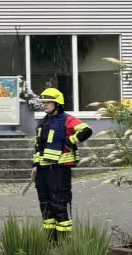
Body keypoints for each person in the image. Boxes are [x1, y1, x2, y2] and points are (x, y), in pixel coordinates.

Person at [32, 87, 93, 241]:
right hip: (43, 169)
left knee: (59, 204)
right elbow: (38, 145)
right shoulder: (43, 122)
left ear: (57, 103)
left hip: (60, 169)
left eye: (47, 102)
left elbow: (86, 130)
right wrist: (35, 165)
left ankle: (64, 240)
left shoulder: (67, 119)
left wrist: (70, 141)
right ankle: (50, 240)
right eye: (43, 102)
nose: (44, 105)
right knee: (45, 204)